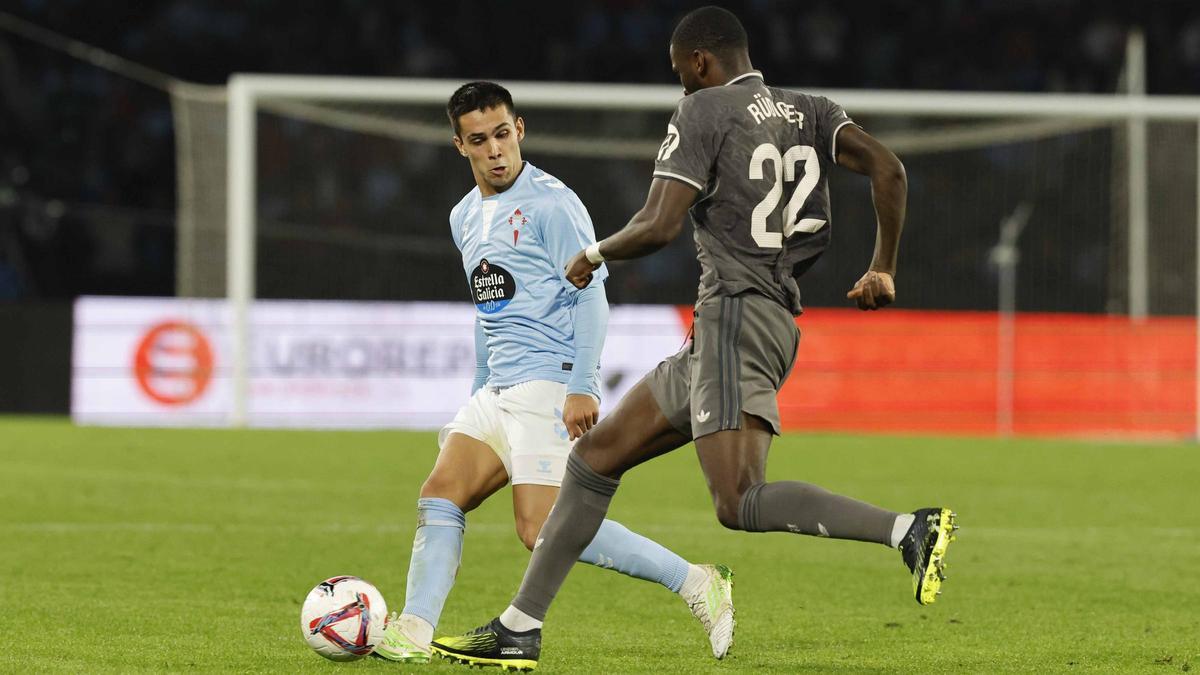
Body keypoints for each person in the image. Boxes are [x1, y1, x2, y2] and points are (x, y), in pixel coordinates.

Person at [431, 8, 957, 670]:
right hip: (734, 324)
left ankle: (908, 529)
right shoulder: (813, 110)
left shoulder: (704, 112)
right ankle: (520, 626)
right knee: (595, 456)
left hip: (739, 320)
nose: (681, 85)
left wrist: (595, 252)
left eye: (681, 73)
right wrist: (883, 264)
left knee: (739, 500)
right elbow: (890, 169)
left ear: (701, 63)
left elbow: (658, 224)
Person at [373, 81, 735, 666]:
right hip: (496, 389)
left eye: (501, 134)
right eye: (478, 140)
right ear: (459, 146)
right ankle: (413, 630)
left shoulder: (552, 203)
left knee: (540, 528)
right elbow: (486, 305)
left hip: (546, 382)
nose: (494, 150)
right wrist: (478, 389)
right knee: (441, 495)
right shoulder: (463, 216)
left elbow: (591, 296)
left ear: (519, 130)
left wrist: (582, 385)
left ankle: (696, 581)